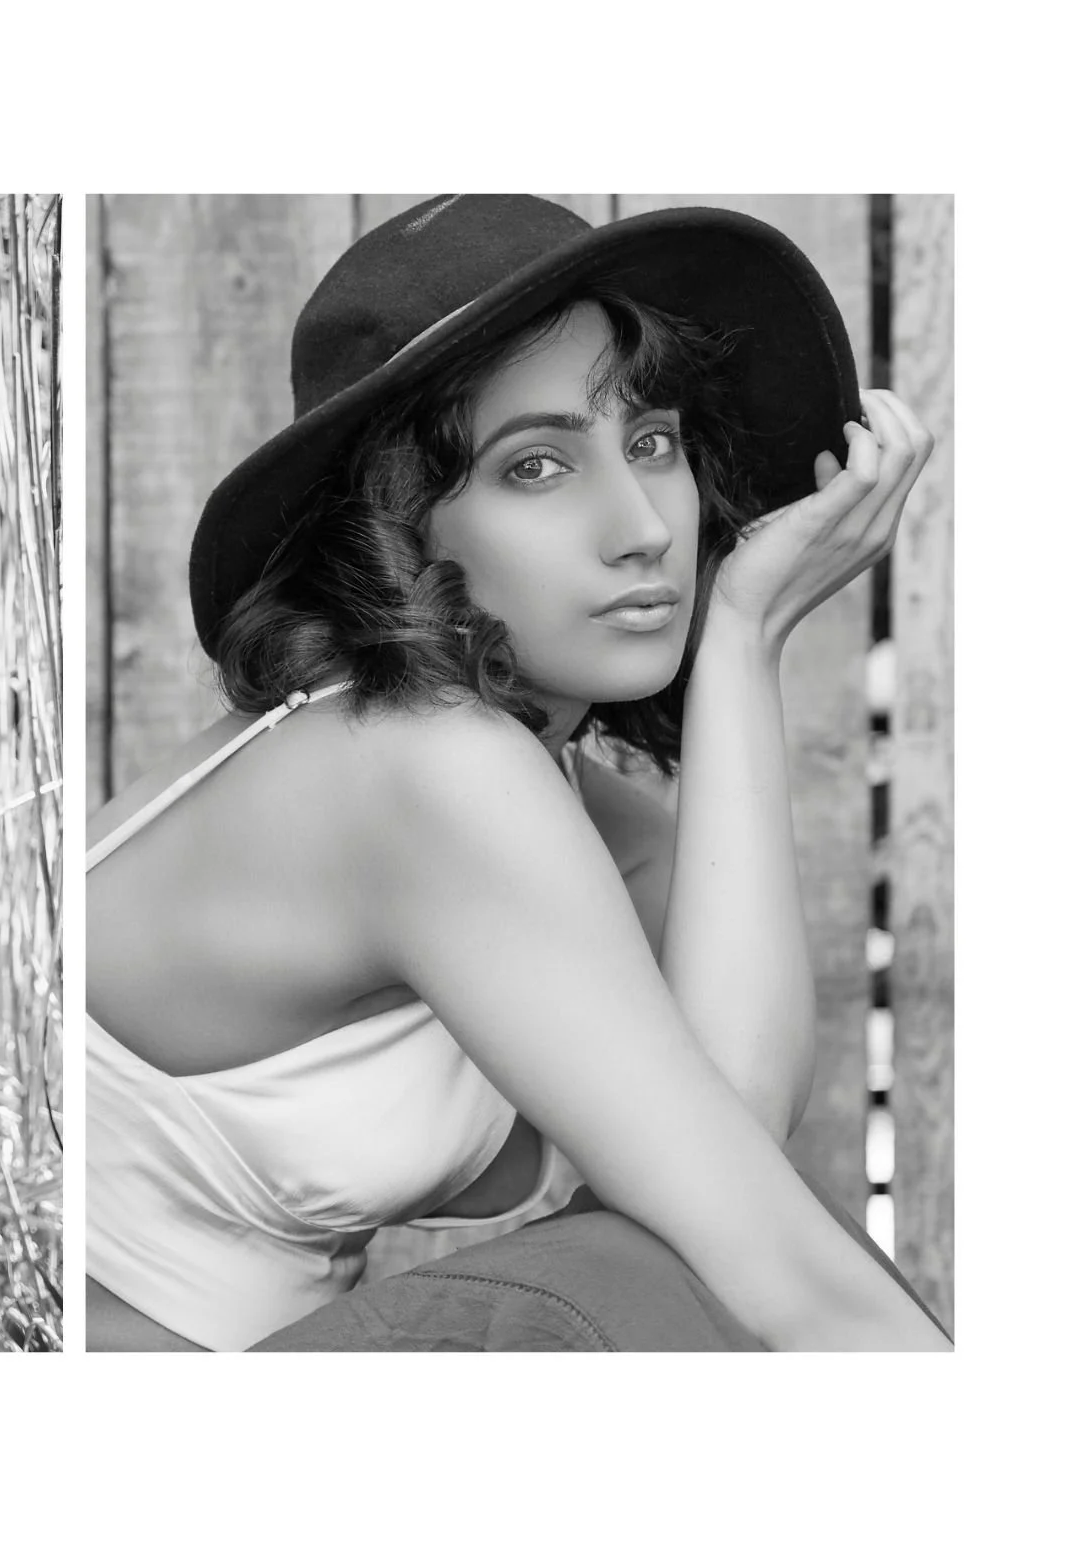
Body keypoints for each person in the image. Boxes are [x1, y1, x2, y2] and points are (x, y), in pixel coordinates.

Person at [86, 195, 951, 1352]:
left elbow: (728, 1169)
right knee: (614, 1291)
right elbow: (743, 1254)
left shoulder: (581, 820)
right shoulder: (416, 764)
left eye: (650, 444)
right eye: (535, 466)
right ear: (398, 529)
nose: (639, 525)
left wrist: (742, 638)